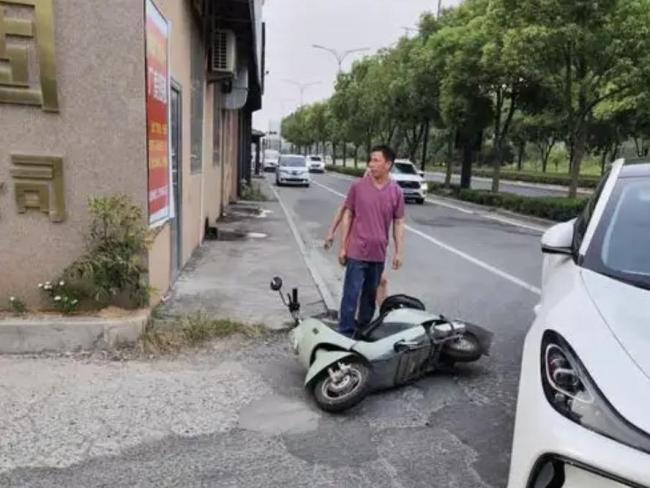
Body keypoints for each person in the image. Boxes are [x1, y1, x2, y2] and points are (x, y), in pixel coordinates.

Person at [336, 145, 405, 337]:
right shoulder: (358, 187)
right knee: (351, 294)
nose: (371, 164)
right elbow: (347, 214)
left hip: (378, 253)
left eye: (376, 160)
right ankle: (345, 333)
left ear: (388, 164)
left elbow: (399, 222)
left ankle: (362, 331)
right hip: (357, 251)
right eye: (370, 160)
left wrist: (399, 251)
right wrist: (343, 246)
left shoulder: (396, 192)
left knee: (369, 297)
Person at [324, 168, 390, 306]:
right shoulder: (358, 193)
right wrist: (331, 233)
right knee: (360, 283)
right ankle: (353, 313)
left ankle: (383, 312)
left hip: (375, 248)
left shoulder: (385, 193)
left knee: (380, 281)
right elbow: (342, 210)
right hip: (356, 245)